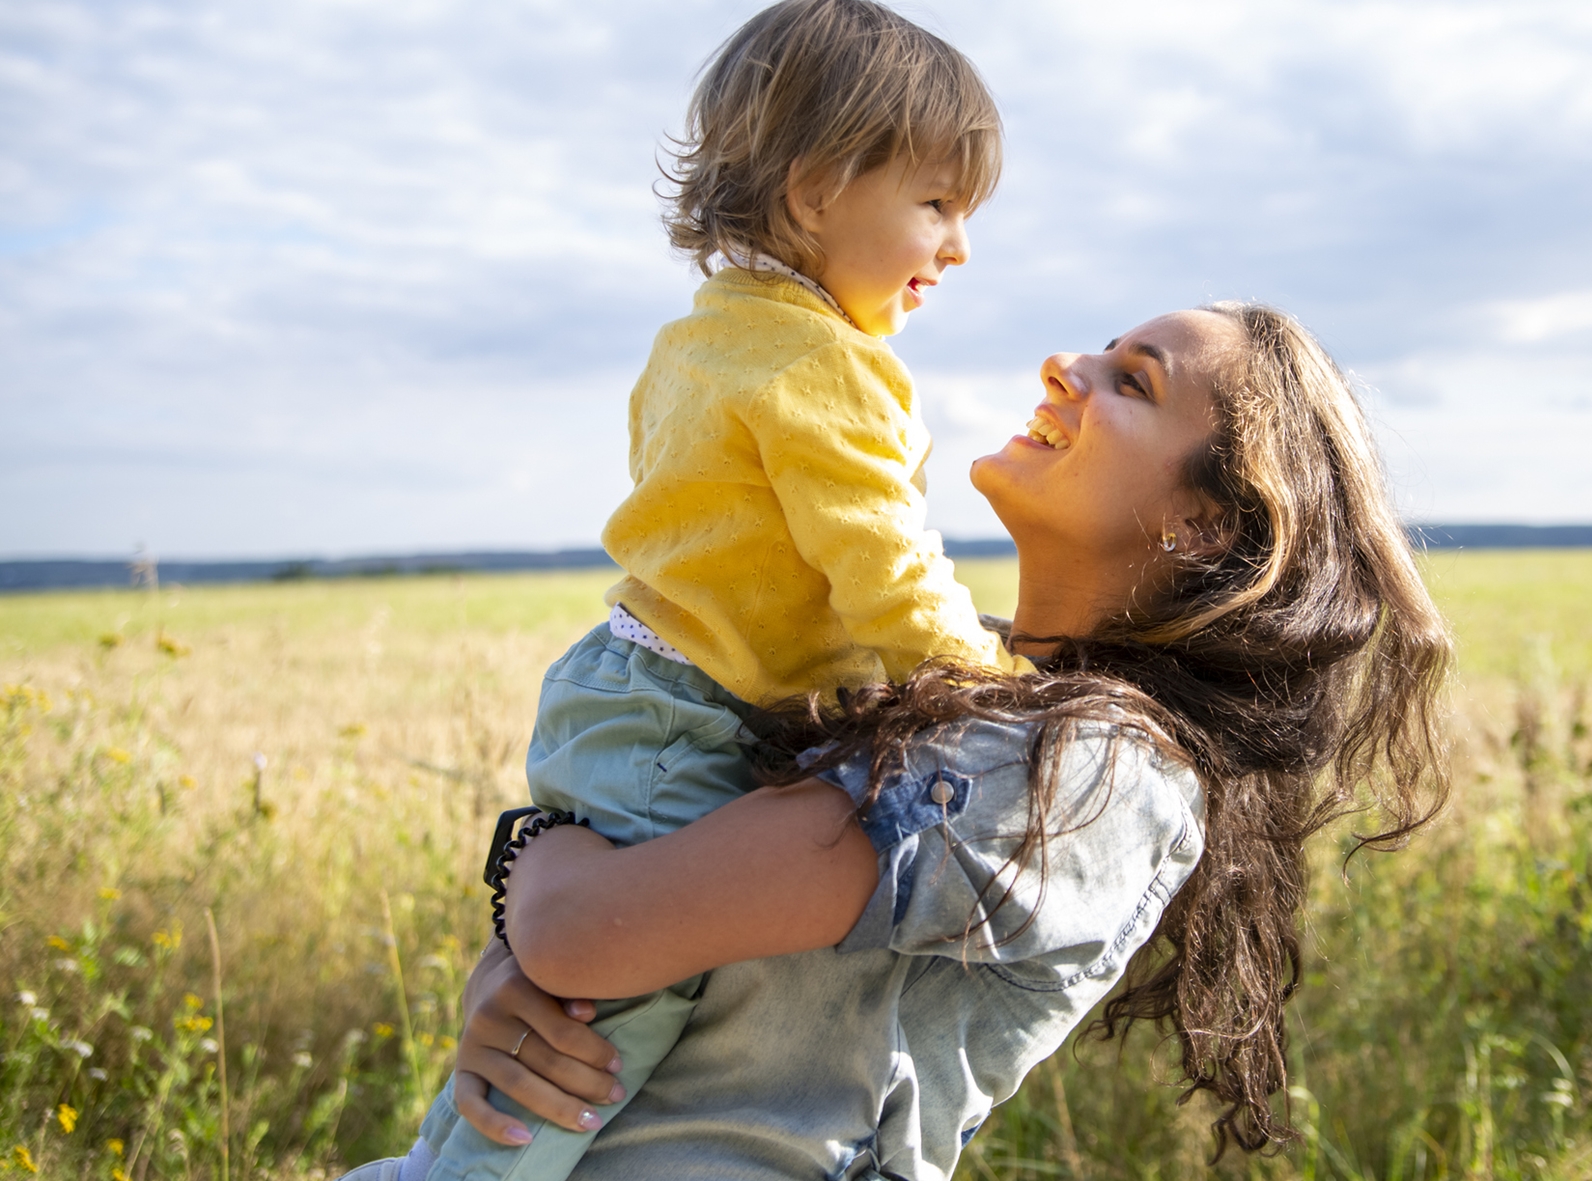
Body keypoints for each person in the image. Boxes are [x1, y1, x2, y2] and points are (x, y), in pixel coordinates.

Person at [417, 303, 1452, 1181]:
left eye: (1131, 383)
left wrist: (530, 881)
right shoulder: (932, 680)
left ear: (1202, 525)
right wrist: (516, 984)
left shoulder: (1090, 766)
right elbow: (612, 923)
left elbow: (588, 926)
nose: (1065, 366)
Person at [409, 0, 1031, 1181]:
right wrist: (994, 689)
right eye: (937, 204)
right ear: (813, 192)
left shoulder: (706, 335)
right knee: (597, 1023)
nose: (958, 247)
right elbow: (887, 567)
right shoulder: (825, 366)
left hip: (628, 693)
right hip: (684, 717)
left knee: (578, 989)